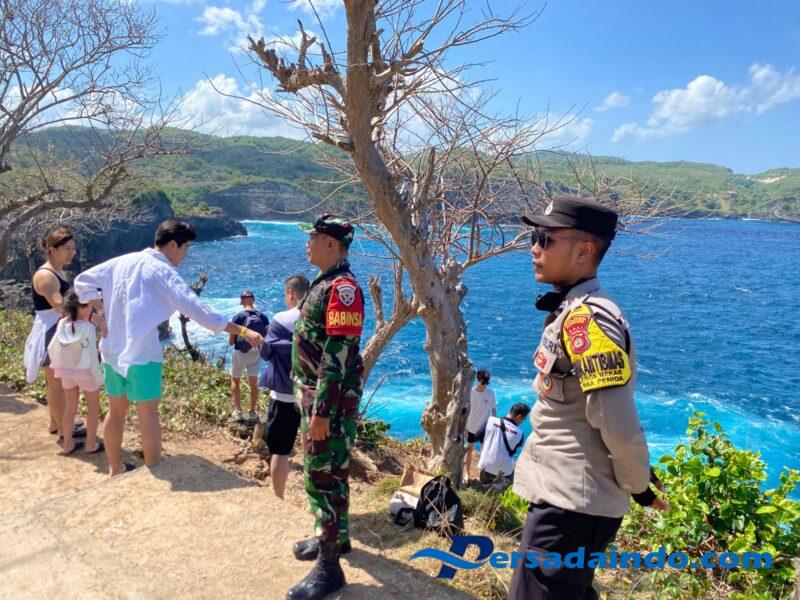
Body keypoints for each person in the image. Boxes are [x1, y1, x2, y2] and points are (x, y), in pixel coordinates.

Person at [510, 194, 669, 599]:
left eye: (545, 239)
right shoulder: (572, 309)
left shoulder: (589, 320)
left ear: (584, 251)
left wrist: (639, 485)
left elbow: (617, 420)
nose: (534, 248)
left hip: (571, 510)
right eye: (534, 236)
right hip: (566, 501)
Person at [73, 219, 264, 476]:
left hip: (112, 351)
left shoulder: (122, 261)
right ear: (173, 245)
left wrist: (101, 313)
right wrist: (242, 330)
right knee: (148, 416)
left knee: (115, 412)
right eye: (186, 247)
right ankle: (153, 474)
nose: (186, 254)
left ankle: (115, 468)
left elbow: (82, 282)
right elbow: (200, 312)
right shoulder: (162, 271)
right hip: (143, 353)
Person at [287, 215, 365, 600]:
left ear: (331, 244)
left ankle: (329, 568)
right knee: (334, 471)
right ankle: (335, 537)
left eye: (314, 237)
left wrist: (321, 411)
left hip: (327, 401)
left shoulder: (342, 289)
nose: (308, 243)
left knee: (322, 477)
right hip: (319, 396)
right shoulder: (326, 282)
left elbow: (337, 357)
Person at [23, 227, 101, 439]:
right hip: (51, 331)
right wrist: (93, 315)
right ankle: (62, 429)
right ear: (52, 249)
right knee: (57, 384)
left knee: (58, 382)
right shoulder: (45, 276)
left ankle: (56, 423)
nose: (72, 253)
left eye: (73, 249)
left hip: (57, 329)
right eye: (67, 248)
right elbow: (59, 305)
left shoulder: (58, 271)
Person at [260, 274, 310, 499]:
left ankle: (279, 499)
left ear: (290, 293)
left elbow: (266, 353)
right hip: (312, 395)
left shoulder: (280, 319)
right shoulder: (318, 319)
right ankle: (316, 503)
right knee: (313, 451)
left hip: (284, 395)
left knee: (280, 452)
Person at [47, 291, 104, 456]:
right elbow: (92, 356)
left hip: (66, 371)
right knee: (93, 409)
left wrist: (59, 366)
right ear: (82, 308)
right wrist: (98, 378)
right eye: (89, 305)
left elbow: (52, 347)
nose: (91, 308)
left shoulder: (62, 323)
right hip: (85, 372)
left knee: (70, 408)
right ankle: (90, 444)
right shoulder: (88, 328)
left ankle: (68, 444)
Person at [228, 290, 269, 423]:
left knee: (236, 380)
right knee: (254, 382)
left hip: (240, 352)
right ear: (254, 300)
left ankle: (238, 412)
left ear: (241, 302)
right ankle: (252, 412)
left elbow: (231, 341)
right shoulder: (262, 316)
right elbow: (267, 337)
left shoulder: (238, 317)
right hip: (256, 352)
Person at [476, 403, 530, 485]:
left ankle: (485, 484)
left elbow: (477, 436)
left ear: (510, 411)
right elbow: (512, 452)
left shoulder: (490, 420)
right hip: (505, 472)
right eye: (524, 419)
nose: (522, 422)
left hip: (485, 467)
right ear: (519, 417)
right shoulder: (519, 434)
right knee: (514, 479)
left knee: (485, 482)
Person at [462, 369, 496, 485]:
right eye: (483, 382)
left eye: (487, 382)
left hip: (485, 428)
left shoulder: (490, 392)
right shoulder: (470, 392)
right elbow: (465, 410)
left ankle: (483, 474)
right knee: (469, 450)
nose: (485, 385)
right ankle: (467, 474)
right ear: (477, 380)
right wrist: (464, 427)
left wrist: (495, 426)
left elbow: (493, 410)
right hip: (471, 426)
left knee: (484, 452)